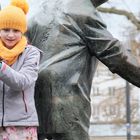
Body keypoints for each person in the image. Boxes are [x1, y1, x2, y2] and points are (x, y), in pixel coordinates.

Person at [27, 0, 140, 140]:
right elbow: (113, 53)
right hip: (66, 98)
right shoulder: (81, 8)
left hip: (35, 97)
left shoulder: (39, 11)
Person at [0, 0, 41, 139]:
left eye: (16, 30)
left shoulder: (31, 53)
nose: (10, 35)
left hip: (22, 125)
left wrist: (1, 66)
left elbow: (23, 82)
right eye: (6, 30)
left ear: (22, 31)